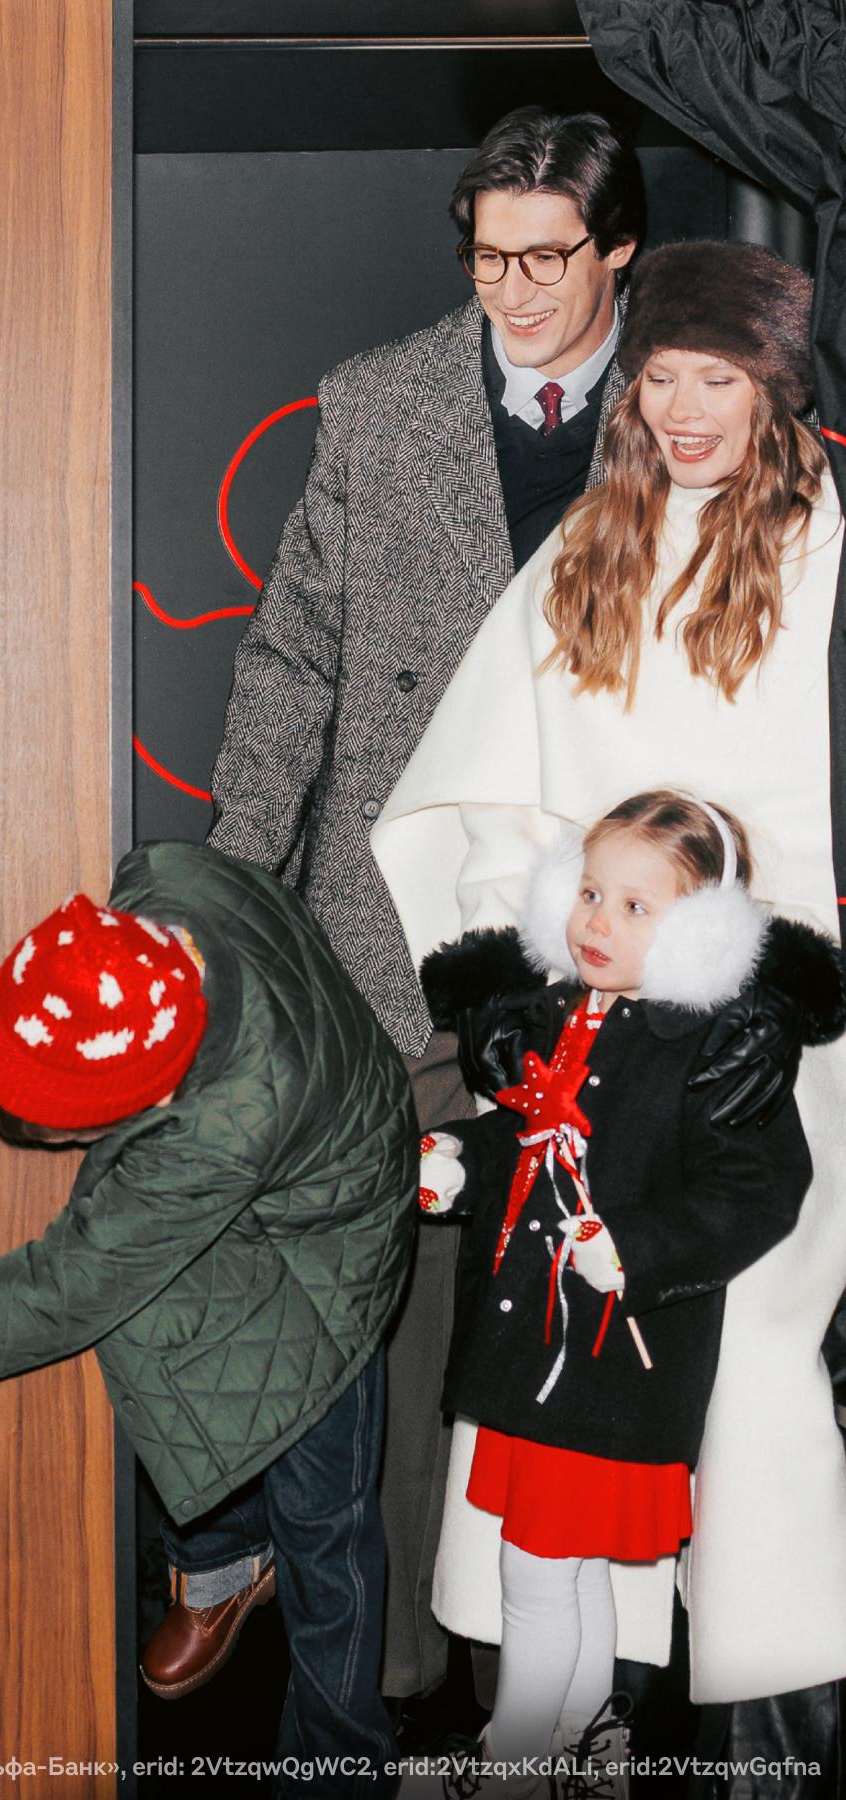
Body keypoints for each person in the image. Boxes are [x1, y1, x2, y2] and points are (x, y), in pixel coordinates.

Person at [370, 240, 846, 1755]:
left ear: (775, 394)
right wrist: (500, 984)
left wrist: (780, 992)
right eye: (663, 378)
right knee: (555, 1344)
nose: (689, 409)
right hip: (588, 1017)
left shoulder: (830, 547)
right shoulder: (588, 544)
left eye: (722, 379)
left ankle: (763, 1712)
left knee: (748, 1342)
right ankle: (569, 1718)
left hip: (761, 1044)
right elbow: (482, 790)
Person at [209, 102, 645, 1705]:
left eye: (547, 261)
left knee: (588, 1312)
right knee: (391, 1315)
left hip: (606, 932)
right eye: (487, 259)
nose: (513, 294)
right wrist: (240, 892)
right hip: (397, 927)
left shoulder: (691, 408)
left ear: (620, 251)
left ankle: (575, 1695)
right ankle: (394, 1679)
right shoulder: (380, 403)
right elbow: (294, 662)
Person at [0, 840, 418, 1799]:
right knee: (179, 1338)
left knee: (327, 1527)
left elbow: (58, 1293)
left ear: (156, 1096)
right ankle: (223, 1563)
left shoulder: (222, 1126)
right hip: (298, 1117)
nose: (22, 1132)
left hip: (337, 1239)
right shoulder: (164, 881)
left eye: (54, 1122)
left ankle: (339, 1766)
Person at [413, 791, 826, 1798]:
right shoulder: (568, 1014)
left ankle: (513, 1766)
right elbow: (531, 1134)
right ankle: (583, 1745)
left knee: (535, 1577)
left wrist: (633, 1251)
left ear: (702, 932)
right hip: (544, 1356)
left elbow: (759, 1188)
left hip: (606, 1364)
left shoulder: (712, 1047)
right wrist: (462, 1161)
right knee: (571, 1571)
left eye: (636, 907)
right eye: (591, 892)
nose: (597, 921)